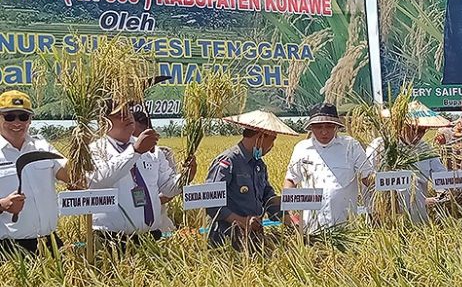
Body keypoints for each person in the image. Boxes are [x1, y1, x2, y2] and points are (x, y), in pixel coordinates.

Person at [88, 100, 187, 251]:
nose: (128, 118)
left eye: (128, 112)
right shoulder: (95, 150)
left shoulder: (150, 148)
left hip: (151, 236)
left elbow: (167, 187)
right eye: (120, 115)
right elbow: (99, 180)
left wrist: (186, 176)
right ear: (104, 122)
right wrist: (134, 152)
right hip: (112, 239)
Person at [205, 110, 298, 249]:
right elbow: (211, 202)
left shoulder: (259, 165)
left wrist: (287, 218)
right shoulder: (228, 162)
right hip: (226, 239)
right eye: (272, 140)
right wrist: (242, 221)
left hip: (253, 237)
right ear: (260, 136)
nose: (272, 146)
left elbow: (267, 197)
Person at [284, 103, 373, 233]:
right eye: (319, 127)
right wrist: (288, 212)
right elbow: (291, 180)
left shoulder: (351, 146)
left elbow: (368, 177)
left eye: (330, 126)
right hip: (310, 227)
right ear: (311, 127)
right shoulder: (302, 148)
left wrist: (386, 195)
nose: (324, 132)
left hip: (345, 226)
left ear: (337, 127)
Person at [0, 90, 70, 255]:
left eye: (23, 117)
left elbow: (70, 176)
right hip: (9, 248)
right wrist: (2, 205)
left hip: (50, 243)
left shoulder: (43, 147)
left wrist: (81, 145)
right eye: (9, 116)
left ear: (30, 120)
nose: (17, 122)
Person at [366, 101, 449, 224]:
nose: (419, 135)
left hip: (417, 216)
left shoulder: (425, 149)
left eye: (423, 131)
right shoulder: (380, 146)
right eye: (414, 129)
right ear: (400, 125)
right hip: (384, 216)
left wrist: (442, 194)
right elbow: (367, 178)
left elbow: (441, 176)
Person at [132, 110, 180, 233]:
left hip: (157, 220)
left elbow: (170, 188)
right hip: (127, 225)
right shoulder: (118, 156)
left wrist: (150, 202)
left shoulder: (162, 153)